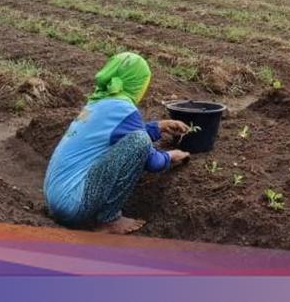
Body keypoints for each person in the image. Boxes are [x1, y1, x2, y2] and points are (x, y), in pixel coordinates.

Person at [44, 52, 191, 234]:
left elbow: (116, 135)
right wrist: (171, 156)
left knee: (139, 138)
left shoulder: (98, 103)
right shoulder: (123, 108)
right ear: (137, 83)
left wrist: (157, 128)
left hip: (56, 199)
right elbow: (152, 161)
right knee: (140, 140)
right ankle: (109, 219)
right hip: (74, 204)